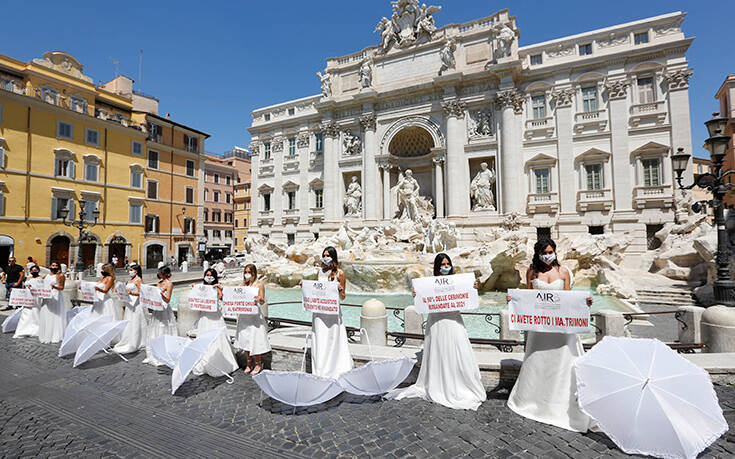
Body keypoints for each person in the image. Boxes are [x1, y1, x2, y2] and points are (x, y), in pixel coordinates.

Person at [507, 238, 593, 432]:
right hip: (539, 328)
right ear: (538, 254)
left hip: (560, 328)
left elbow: (569, 299)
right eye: (544, 252)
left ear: (555, 251)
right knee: (538, 362)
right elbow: (528, 298)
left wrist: (585, 303)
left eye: (550, 252)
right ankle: (534, 401)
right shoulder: (532, 271)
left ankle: (559, 404)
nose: (548, 255)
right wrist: (513, 300)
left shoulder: (563, 272)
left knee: (561, 363)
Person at [386, 253, 487, 410]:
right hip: (436, 322)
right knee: (439, 352)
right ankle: (439, 385)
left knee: (458, 351)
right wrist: (416, 295)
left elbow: (467, 298)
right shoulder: (429, 283)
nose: (446, 267)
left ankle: (460, 383)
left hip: (453, 320)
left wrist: (472, 288)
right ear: (437, 267)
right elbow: (423, 301)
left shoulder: (458, 281)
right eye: (442, 265)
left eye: (448, 264)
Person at [308, 246, 353, 379]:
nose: (325, 257)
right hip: (320, 312)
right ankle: (320, 369)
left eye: (328, 255)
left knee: (333, 339)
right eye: (324, 255)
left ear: (333, 257)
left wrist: (340, 291)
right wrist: (305, 287)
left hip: (332, 312)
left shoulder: (340, 273)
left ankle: (335, 369)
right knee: (320, 339)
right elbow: (316, 290)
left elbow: (343, 297)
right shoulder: (320, 272)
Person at [191, 269, 238, 377]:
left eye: (211, 275)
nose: (209, 277)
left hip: (215, 316)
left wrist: (220, 289)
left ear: (214, 277)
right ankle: (204, 361)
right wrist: (194, 288)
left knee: (218, 338)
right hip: (204, 316)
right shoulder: (201, 288)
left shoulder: (216, 288)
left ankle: (220, 362)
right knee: (203, 337)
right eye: (207, 275)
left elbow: (224, 299)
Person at [234, 264, 270, 375]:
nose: (247, 274)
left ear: (254, 273)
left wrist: (259, 299)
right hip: (244, 316)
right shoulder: (242, 285)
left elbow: (262, 301)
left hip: (254, 317)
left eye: (249, 272)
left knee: (255, 339)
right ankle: (249, 362)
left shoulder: (259, 285)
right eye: (245, 272)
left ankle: (258, 363)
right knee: (245, 339)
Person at [143, 266, 178, 366]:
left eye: (160, 273)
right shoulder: (158, 283)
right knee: (155, 328)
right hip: (157, 308)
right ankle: (154, 351)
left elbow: (168, 299)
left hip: (164, 308)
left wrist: (161, 294)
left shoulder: (169, 284)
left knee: (163, 327)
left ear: (165, 273)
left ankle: (164, 351)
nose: (158, 274)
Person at [113, 264, 148, 354]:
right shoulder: (130, 280)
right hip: (129, 304)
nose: (130, 271)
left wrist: (132, 293)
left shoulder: (139, 280)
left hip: (136, 304)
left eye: (131, 270)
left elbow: (142, 292)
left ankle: (138, 340)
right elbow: (126, 290)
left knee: (136, 321)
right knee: (129, 321)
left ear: (136, 271)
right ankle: (128, 338)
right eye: (129, 270)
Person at [38, 261, 67, 344]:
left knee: (55, 314)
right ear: (50, 266)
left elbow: (62, 287)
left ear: (58, 267)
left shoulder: (60, 275)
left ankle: (55, 334)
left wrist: (54, 287)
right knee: (46, 313)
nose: (54, 267)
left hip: (55, 296)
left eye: (56, 265)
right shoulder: (46, 276)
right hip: (46, 297)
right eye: (52, 265)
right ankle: (46, 333)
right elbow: (40, 284)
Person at [13, 264, 41, 338]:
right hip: (28, 297)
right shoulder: (28, 278)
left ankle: (36, 329)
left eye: (35, 270)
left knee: (35, 312)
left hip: (36, 297)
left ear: (38, 271)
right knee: (26, 312)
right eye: (32, 270)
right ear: (30, 271)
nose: (34, 271)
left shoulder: (41, 278)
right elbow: (25, 287)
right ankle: (23, 329)